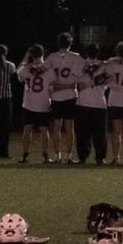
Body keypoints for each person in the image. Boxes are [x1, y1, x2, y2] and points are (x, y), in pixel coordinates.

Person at [45, 32, 85, 164]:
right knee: (69, 127)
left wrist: (55, 86)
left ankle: (58, 155)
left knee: (56, 127)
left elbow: (45, 75)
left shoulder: (51, 57)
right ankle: (68, 156)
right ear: (70, 43)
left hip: (56, 96)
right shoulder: (76, 57)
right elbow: (79, 77)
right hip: (70, 95)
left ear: (58, 43)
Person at [74, 42, 110, 165]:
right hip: (99, 102)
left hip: (83, 102)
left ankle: (82, 157)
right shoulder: (104, 65)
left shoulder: (80, 64)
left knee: (82, 133)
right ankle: (100, 157)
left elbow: (75, 78)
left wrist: (85, 83)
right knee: (100, 133)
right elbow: (108, 79)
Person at [17, 44, 54, 162]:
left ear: (31, 55)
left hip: (28, 103)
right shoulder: (48, 69)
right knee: (44, 130)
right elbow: (52, 86)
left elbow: (18, 72)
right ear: (43, 53)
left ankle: (25, 155)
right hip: (44, 102)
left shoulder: (26, 68)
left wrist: (26, 57)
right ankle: (45, 155)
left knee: (27, 129)